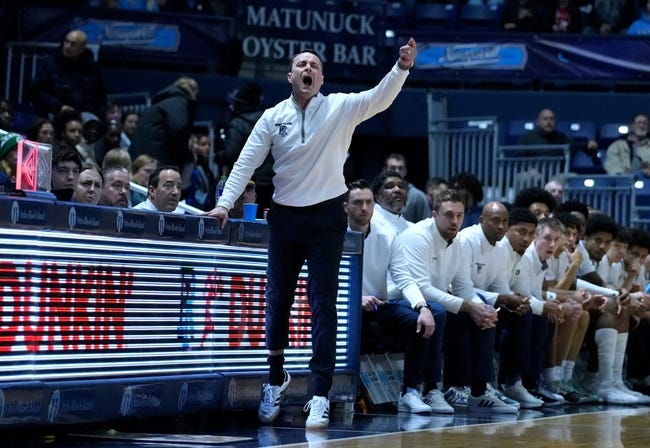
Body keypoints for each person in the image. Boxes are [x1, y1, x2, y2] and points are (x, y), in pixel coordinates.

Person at [205, 38, 419, 429]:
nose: (308, 69)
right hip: (285, 219)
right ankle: (275, 379)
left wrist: (401, 68)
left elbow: (380, 98)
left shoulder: (339, 107)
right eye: (301, 64)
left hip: (325, 219)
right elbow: (246, 161)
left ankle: (318, 393)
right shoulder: (272, 116)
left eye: (314, 65)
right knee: (277, 303)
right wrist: (225, 202)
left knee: (323, 304)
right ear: (290, 76)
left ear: (321, 77)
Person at [396, 189, 515, 413]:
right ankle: (430, 389)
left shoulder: (459, 241)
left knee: (482, 308)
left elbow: (463, 287)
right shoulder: (418, 236)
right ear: (434, 214)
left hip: (435, 301)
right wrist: (469, 306)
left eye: (459, 215)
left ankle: (478, 391)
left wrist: (480, 308)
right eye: (449, 215)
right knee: (441, 312)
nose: (455, 221)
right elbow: (422, 289)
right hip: (404, 299)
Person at [344, 179, 450, 414]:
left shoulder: (388, 235)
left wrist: (422, 307)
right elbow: (325, 279)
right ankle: (339, 393)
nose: (364, 208)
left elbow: (404, 276)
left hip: (379, 303)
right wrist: (355, 299)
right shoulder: (334, 234)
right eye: (358, 202)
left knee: (425, 318)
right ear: (345, 206)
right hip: (343, 305)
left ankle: (410, 391)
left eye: (368, 202)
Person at [214, 82, 272, 213]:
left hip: (248, 184)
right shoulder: (268, 120)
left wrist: (218, 156)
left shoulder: (238, 123)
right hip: (271, 184)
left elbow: (230, 154)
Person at [129, 76, 198, 185]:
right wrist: (184, 155)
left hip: (141, 155)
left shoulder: (161, 101)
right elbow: (178, 129)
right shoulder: (179, 101)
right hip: (159, 156)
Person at [29, 29, 107, 118]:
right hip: (55, 115)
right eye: (66, 41)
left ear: (82, 48)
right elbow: (37, 91)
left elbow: (101, 96)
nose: (67, 46)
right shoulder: (49, 64)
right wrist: (58, 106)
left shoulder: (92, 68)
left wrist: (97, 115)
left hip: (85, 117)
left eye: (73, 44)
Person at [519, 108, 599, 161]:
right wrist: (529, 169)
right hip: (532, 173)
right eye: (545, 119)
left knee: (569, 177)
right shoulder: (527, 137)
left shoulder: (562, 137)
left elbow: (577, 145)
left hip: (556, 174)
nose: (549, 122)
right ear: (538, 122)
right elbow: (518, 157)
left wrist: (588, 145)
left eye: (552, 119)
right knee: (524, 177)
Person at [383, 153, 430, 223]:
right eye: (392, 168)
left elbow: (427, 226)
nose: (397, 171)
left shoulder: (417, 197)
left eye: (400, 168)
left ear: (405, 171)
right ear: (384, 170)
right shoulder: (378, 194)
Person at [371, 170, 412, 235]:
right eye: (390, 186)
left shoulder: (412, 228)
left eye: (401, 186)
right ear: (377, 197)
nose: (397, 190)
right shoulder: (371, 224)